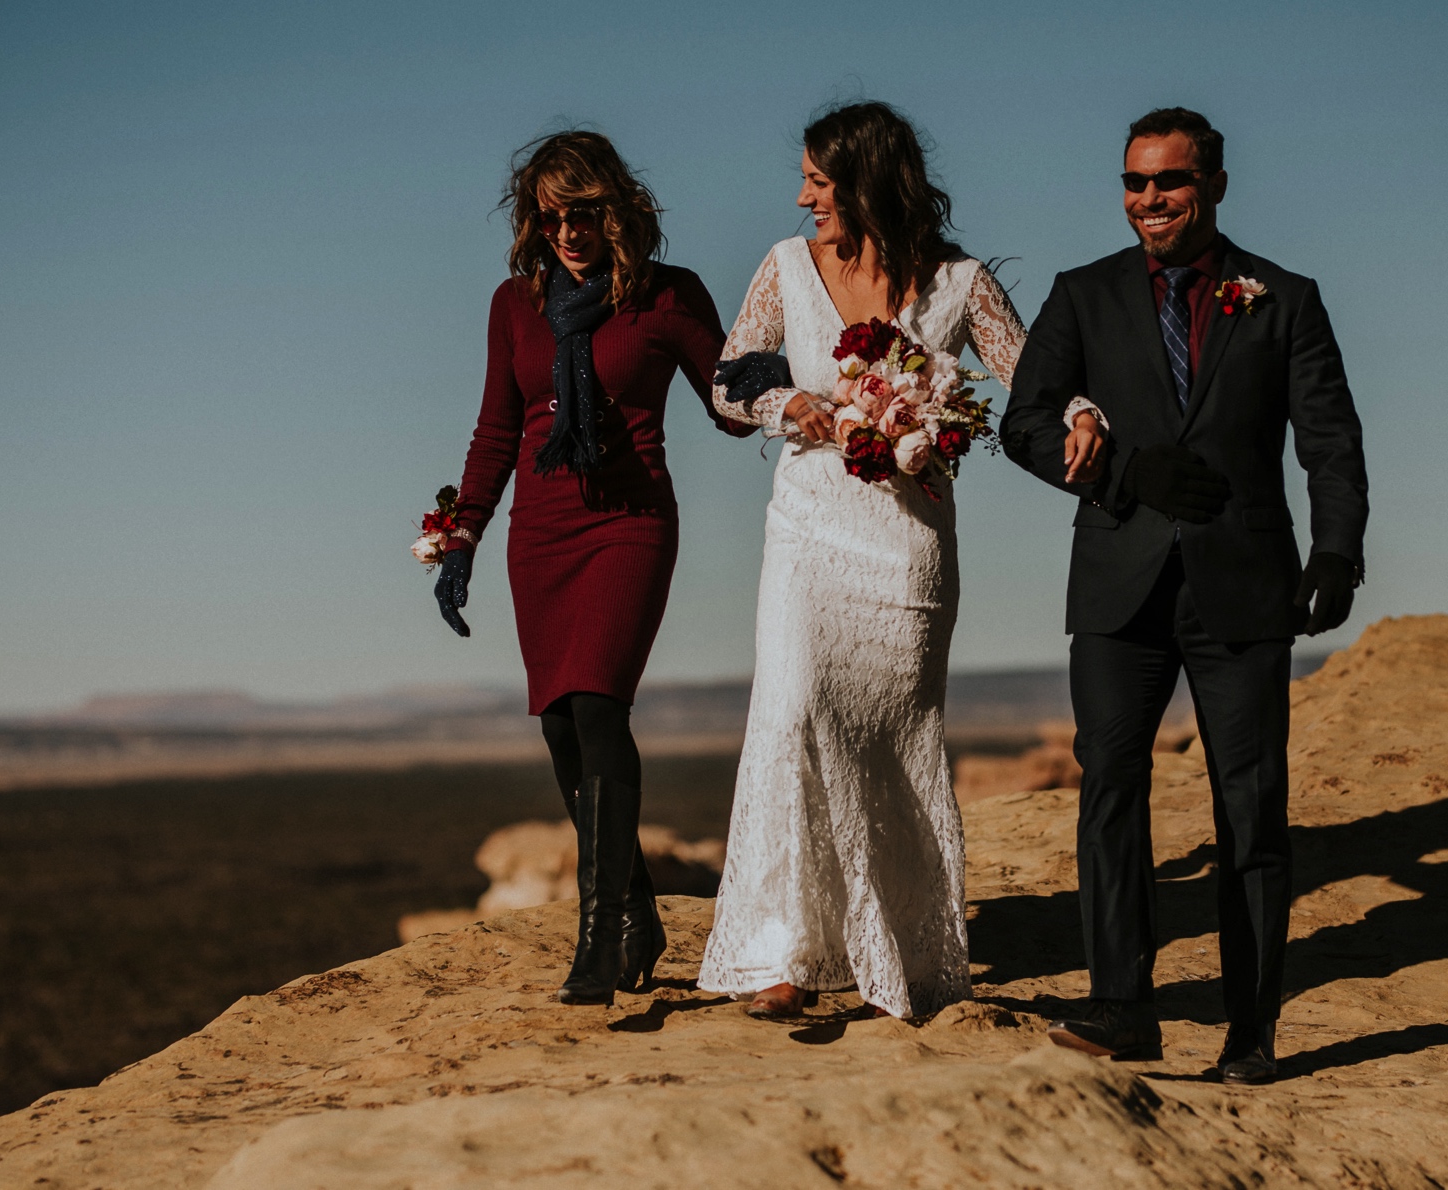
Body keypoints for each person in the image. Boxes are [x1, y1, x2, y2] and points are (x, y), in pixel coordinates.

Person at [699, 101, 1108, 1021]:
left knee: (891, 735)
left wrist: (1083, 408)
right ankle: (782, 954)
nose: (804, 195)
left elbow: (1029, 368)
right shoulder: (786, 266)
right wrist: (786, 405)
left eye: (819, 179)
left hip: (909, 546)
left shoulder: (957, 283)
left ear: (868, 180)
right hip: (807, 527)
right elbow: (729, 377)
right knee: (796, 710)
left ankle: (895, 945)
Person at [1000, 107, 1368, 1082]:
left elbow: (1328, 437)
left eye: (1166, 181)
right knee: (1109, 789)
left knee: (1250, 809)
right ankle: (1122, 1003)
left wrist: (1335, 551)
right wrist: (1119, 476)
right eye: (1132, 182)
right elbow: (1024, 421)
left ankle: (1249, 1032)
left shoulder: (1281, 298)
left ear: (1210, 185)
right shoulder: (1082, 296)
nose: (1147, 200)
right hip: (1116, 583)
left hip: (1241, 584)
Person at [434, 130, 755, 1005]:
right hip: (540, 534)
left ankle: (599, 940)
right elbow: (499, 428)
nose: (568, 232)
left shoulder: (664, 294)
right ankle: (639, 919)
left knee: (599, 706)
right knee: (560, 728)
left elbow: (727, 403)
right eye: (551, 217)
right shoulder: (515, 303)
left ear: (616, 209)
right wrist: (462, 535)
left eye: (584, 213)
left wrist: (765, 380)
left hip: (630, 523)